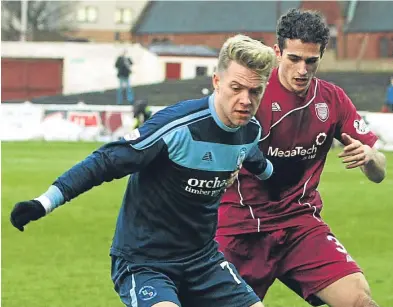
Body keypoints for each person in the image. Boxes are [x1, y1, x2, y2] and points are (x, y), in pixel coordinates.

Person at [10, 34, 276, 307]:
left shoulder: (250, 131)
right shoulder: (175, 127)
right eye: (236, 87)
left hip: (203, 261)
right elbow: (106, 161)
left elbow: (255, 160)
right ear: (217, 82)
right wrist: (44, 203)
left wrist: (273, 177)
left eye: (254, 91)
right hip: (146, 262)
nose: (245, 99)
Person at [216, 9, 387, 307]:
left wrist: (369, 156)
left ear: (322, 56)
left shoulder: (332, 99)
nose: (302, 70)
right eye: (293, 58)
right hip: (240, 229)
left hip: (299, 226)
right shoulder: (252, 94)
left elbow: (379, 172)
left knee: (359, 299)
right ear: (277, 52)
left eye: (311, 61)